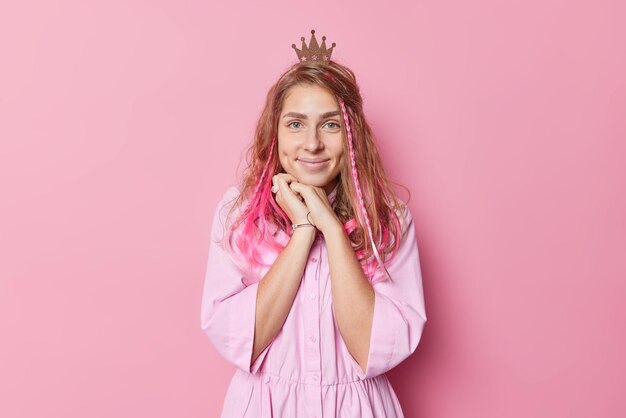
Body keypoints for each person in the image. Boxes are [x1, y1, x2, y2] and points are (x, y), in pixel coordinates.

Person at [200, 29, 427, 418]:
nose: (312, 143)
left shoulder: (389, 219)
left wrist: (332, 229)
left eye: (331, 124)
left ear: (351, 136)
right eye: (295, 124)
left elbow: (373, 348)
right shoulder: (236, 213)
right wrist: (304, 230)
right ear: (275, 134)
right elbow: (244, 342)